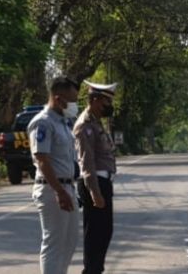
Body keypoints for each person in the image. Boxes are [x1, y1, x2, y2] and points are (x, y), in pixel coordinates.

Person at [29, 76, 80, 274]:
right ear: (58, 99)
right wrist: (59, 191)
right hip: (52, 188)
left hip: (67, 187)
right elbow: (42, 160)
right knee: (54, 242)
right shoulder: (43, 123)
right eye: (72, 100)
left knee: (69, 241)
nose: (75, 105)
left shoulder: (64, 123)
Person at [74, 81, 119, 274]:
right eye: (105, 102)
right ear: (94, 100)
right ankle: (91, 271)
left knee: (105, 232)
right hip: (95, 184)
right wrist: (94, 192)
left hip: (103, 182)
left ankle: (95, 270)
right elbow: (86, 162)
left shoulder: (96, 122)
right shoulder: (85, 125)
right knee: (95, 235)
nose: (108, 106)